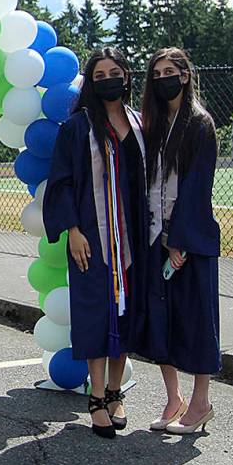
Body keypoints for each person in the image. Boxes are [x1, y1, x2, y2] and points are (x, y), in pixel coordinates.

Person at [43, 47, 148, 439]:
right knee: (93, 314)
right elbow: (62, 181)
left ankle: (117, 392)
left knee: (126, 313)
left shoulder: (140, 124)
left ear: (127, 76)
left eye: (114, 72)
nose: (108, 80)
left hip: (134, 240)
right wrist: (72, 229)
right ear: (90, 82)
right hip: (91, 236)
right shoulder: (77, 127)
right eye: (99, 75)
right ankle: (96, 397)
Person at [133, 47, 220, 434]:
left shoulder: (199, 124)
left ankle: (200, 403)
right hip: (155, 237)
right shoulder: (152, 125)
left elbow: (197, 187)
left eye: (171, 71)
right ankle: (174, 399)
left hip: (189, 241)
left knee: (197, 320)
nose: (164, 78)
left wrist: (177, 239)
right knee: (159, 321)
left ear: (185, 75)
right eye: (157, 73)